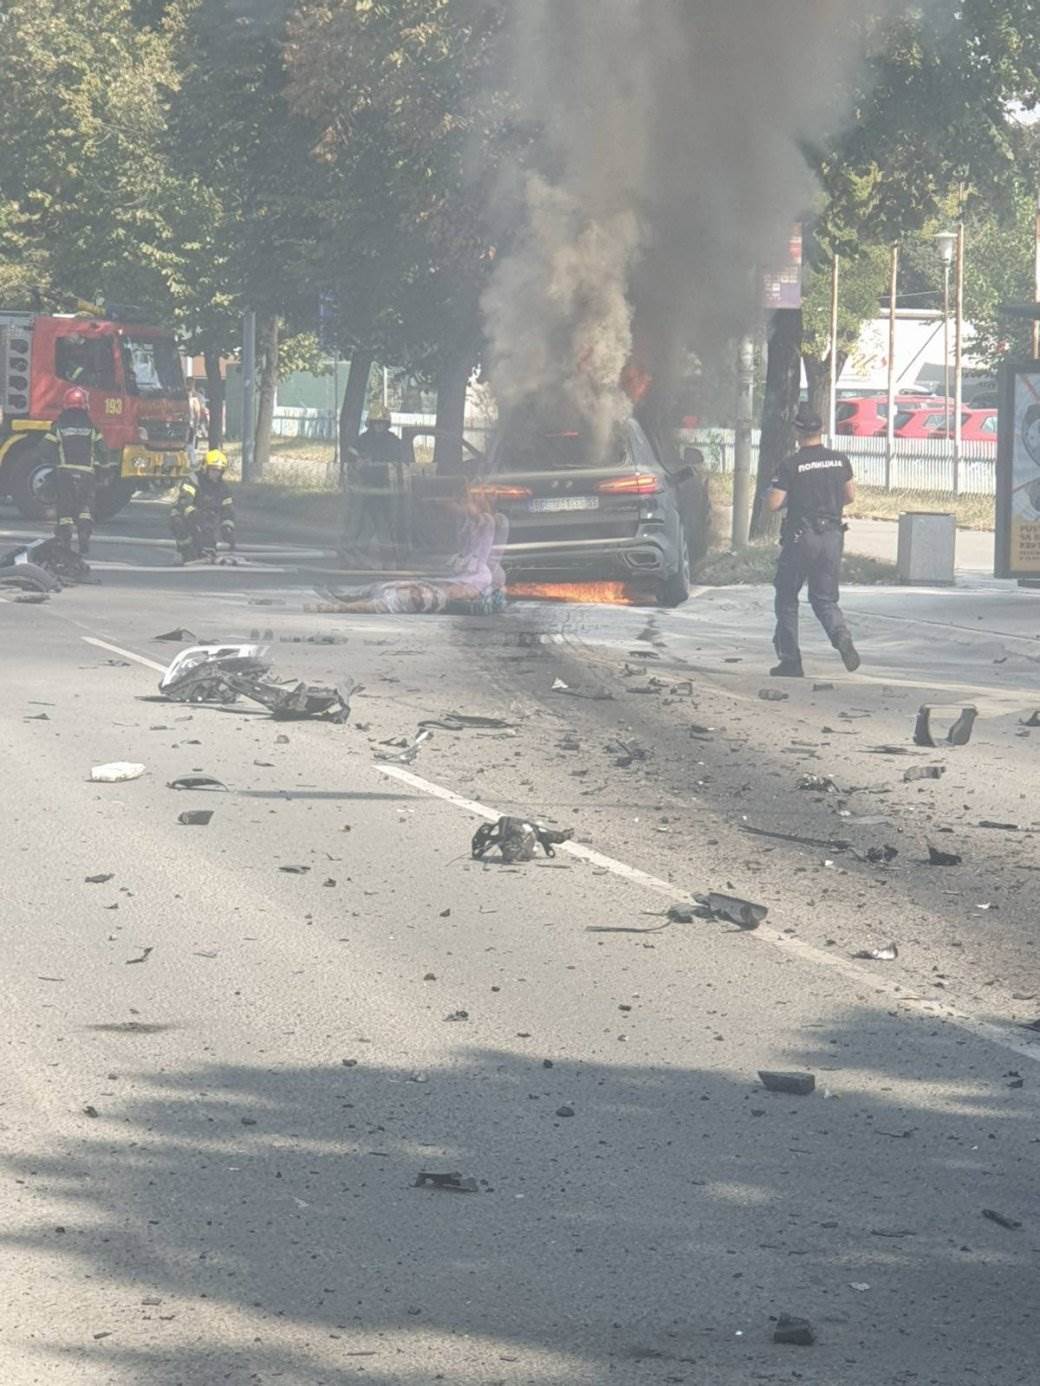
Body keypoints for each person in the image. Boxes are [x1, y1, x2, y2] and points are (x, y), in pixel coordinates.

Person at [764, 407, 861, 678]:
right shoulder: (840, 461)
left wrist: (772, 494)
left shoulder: (791, 464)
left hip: (801, 537)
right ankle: (840, 635)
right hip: (832, 535)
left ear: (797, 432)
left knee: (786, 595)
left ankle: (790, 661)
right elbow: (850, 496)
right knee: (824, 598)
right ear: (821, 431)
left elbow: (774, 503)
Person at [45, 386, 103, 557]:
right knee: (84, 507)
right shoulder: (92, 427)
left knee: (64, 509)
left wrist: (53, 462)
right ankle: (84, 534)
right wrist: (102, 467)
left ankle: (65, 540)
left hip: (64, 474)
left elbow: (45, 448)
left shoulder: (59, 426)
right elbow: (103, 450)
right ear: (85, 405)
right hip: (87, 474)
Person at [170, 448, 236, 564]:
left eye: (219, 471)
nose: (216, 473)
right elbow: (184, 502)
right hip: (187, 515)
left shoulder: (223, 488)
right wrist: (195, 515)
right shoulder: (193, 480)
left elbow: (228, 510)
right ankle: (185, 551)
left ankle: (205, 551)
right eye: (213, 470)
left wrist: (228, 528)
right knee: (178, 521)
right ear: (205, 468)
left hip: (207, 519)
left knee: (207, 544)